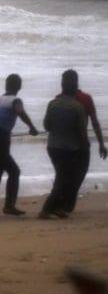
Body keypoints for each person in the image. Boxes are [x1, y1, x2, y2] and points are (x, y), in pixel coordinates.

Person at [0, 74, 38, 217]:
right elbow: (20, 113)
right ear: (19, 86)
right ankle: (9, 206)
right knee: (13, 172)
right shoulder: (16, 100)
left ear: (6, 85)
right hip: (2, 140)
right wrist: (32, 128)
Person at [53, 69, 106, 216]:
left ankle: (62, 205)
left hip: (63, 145)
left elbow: (53, 124)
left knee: (66, 176)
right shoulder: (84, 98)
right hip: (79, 144)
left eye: (64, 81)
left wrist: (101, 143)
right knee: (74, 176)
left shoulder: (59, 98)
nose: (63, 84)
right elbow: (94, 122)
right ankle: (63, 206)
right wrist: (101, 143)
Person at [41, 74, 92, 219]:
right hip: (69, 148)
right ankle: (46, 209)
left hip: (52, 146)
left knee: (62, 176)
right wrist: (84, 146)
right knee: (65, 178)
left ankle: (57, 208)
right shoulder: (78, 107)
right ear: (76, 88)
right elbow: (81, 131)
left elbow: (47, 125)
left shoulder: (53, 103)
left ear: (62, 88)